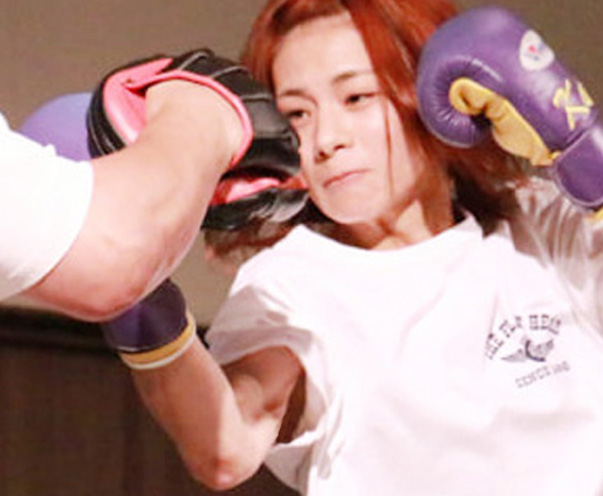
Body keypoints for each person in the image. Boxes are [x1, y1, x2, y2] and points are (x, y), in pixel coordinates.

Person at [101, 0, 603, 494]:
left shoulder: (539, 220)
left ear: (432, 91)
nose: (326, 139)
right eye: (298, 113)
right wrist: (134, 291)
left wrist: (583, 141)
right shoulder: (291, 284)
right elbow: (226, 448)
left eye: (356, 97)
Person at [1, 48, 300, 321]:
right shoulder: (283, 281)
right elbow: (108, 250)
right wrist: (205, 113)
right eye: (298, 112)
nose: (323, 141)